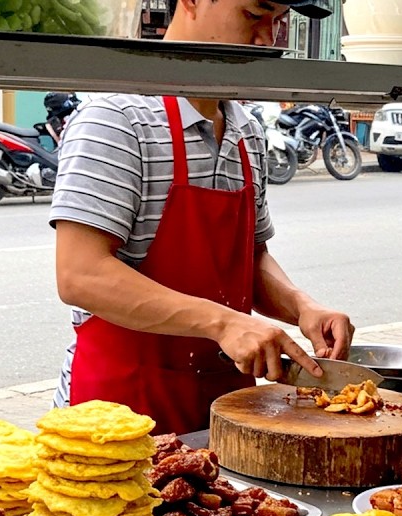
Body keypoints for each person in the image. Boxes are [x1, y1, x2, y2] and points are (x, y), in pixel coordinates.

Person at [49, 0, 348, 435]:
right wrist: (223, 322)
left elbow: (246, 260)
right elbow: (80, 274)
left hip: (223, 416)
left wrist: (301, 305)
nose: (267, 38)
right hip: (116, 419)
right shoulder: (117, 119)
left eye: (279, 21)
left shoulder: (247, 131)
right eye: (254, 14)